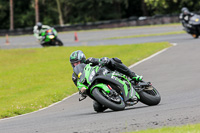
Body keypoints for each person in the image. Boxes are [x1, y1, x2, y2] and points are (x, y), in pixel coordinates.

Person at [69, 50, 143, 112]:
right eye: (74, 63)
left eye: (77, 62)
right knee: (97, 108)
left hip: (104, 74)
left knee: (114, 60)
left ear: (82, 60)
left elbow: (99, 60)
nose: (76, 65)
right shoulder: (74, 76)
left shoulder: (90, 61)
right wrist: (82, 91)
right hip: (93, 86)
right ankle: (113, 100)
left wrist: (103, 60)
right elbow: (79, 85)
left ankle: (133, 75)